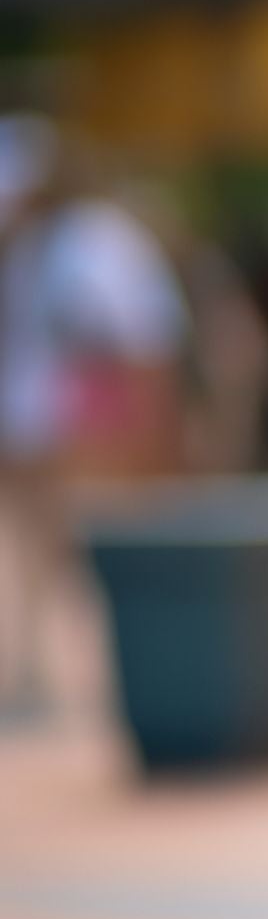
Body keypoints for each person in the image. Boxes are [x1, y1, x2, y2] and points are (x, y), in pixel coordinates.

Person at [0, 118, 191, 718]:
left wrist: (148, 427)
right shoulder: (39, 246)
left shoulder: (91, 241)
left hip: (84, 422)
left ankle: (111, 677)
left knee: (85, 548)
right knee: (42, 548)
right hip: (40, 422)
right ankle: (44, 673)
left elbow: (138, 341)